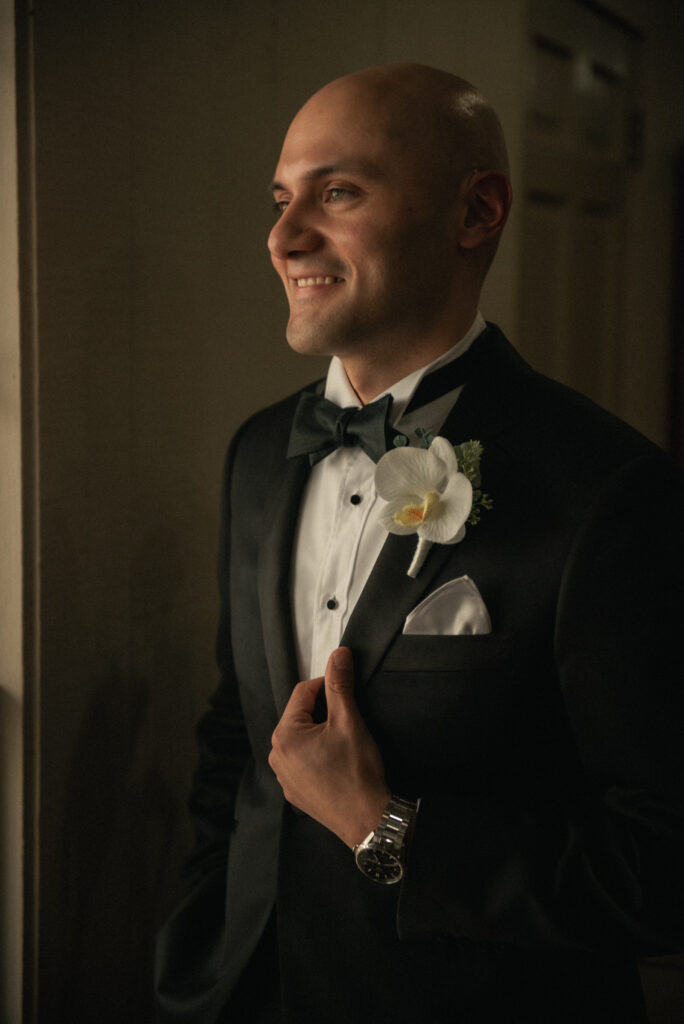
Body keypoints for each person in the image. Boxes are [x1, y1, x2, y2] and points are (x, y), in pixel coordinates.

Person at [155, 63, 684, 1023]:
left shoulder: (611, 493)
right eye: (281, 199)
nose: (282, 237)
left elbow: (662, 869)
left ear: (476, 212)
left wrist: (383, 828)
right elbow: (236, 739)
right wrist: (198, 954)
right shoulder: (259, 454)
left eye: (339, 192)